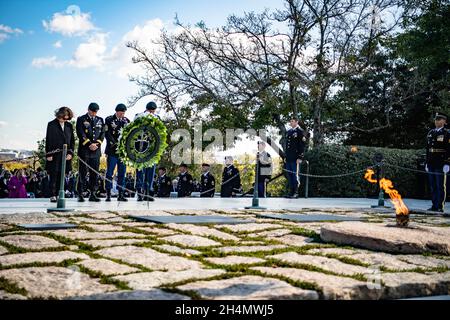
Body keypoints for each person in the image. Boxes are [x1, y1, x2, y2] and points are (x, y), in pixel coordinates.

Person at [76, 102, 105, 202]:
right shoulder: (81, 119)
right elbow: (80, 132)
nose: (94, 114)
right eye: (92, 112)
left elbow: (102, 134)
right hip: (85, 150)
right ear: (88, 110)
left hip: (96, 151)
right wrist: (89, 144)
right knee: (82, 173)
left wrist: (97, 144)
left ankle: (93, 193)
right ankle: (80, 193)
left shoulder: (100, 120)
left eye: (95, 112)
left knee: (94, 173)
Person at [45, 107, 75, 202]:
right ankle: (53, 195)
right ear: (59, 115)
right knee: (54, 175)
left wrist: (71, 153)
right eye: (64, 118)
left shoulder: (69, 126)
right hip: (54, 155)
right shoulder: (51, 124)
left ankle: (59, 194)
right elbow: (48, 140)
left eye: (67, 118)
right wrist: (48, 154)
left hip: (66, 155)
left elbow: (72, 141)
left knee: (62, 176)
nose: (65, 120)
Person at [105, 103, 130, 202]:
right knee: (109, 173)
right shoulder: (109, 119)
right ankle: (108, 194)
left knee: (122, 173)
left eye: (123, 112)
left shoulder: (127, 121)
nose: (122, 114)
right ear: (116, 111)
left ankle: (121, 194)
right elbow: (107, 134)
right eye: (120, 112)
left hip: (122, 152)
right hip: (112, 151)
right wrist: (114, 144)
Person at [134, 101, 160, 201]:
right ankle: (140, 192)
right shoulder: (138, 116)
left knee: (150, 171)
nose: (152, 113)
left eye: (153, 111)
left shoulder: (157, 118)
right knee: (140, 170)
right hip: (140, 147)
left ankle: (148, 192)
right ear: (147, 109)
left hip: (152, 148)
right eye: (150, 111)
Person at [425, 112, 450, 212]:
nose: (436, 121)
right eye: (436, 119)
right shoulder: (431, 132)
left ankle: (440, 206)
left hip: (441, 162)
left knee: (440, 185)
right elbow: (427, 149)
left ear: (444, 121)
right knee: (433, 185)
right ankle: (434, 205)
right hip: (431, 162)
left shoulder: (447, 133)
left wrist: (448, 163)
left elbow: (449, 149)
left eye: (439, 119)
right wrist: (427, 162)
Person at [284, 117, 306, 198]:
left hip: (296, 158)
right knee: (289, 175)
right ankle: (291, 192)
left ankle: (296, 192)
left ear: (297, 122)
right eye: (290, 121)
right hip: (289, 157)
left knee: (295, 175)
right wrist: (286, 156)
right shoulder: (289, 131)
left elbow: (302, 145)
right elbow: (288, 146)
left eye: (292, 121)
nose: (291, 123)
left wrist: (300, 157)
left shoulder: (300, 132)